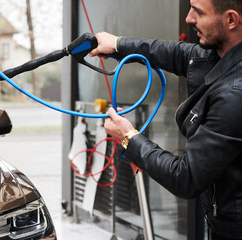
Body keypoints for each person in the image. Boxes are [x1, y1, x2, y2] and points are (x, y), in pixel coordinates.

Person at [89, 0, 242, 239]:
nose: (189, 18)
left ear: (231, 20)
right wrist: (117, 44)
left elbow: (186, 177)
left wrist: (129, 138)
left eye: (199, 12)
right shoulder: (220, 54)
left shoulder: (234, 95)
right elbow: (175, 53)